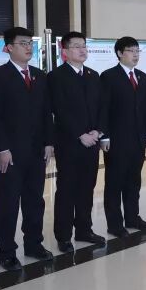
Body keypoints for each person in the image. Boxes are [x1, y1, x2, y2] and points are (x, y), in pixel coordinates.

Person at [0, 27, 54, 269]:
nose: (28, 47)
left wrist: (49, 142)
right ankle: (6, 251)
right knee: (8, 203)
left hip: (37, 151)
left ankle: (34, 244)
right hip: (10, 153)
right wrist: (2, 148)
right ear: (9, 47)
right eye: (22, 43)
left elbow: (46, 112)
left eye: (30, 43)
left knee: (35, 201)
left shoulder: (39, 76)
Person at [48, 31, 106, 252]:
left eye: (84, 46)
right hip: (69, 143)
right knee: (67, 190)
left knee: (87, 187)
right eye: (76, 46)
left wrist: (97, 131)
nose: (82, 50)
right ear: (64, 51)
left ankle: (84, 229)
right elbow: (59, 109)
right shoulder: (56, 76)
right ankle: (63, 235)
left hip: (92, 142)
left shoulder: (93, 75)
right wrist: (80, 134)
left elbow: (101, 107)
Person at [98, 37, 146, 237]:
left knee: (134, 181)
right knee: (115, 183)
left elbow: (145, 108)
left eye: (137, 51)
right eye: (131, 51)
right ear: (120, 53)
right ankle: (114, 223)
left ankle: (132, 217)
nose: (135, 54)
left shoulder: (141, 76)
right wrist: (104, 136)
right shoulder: (108, 76)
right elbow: (104, 108)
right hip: (117, 140)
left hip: (138, 138)